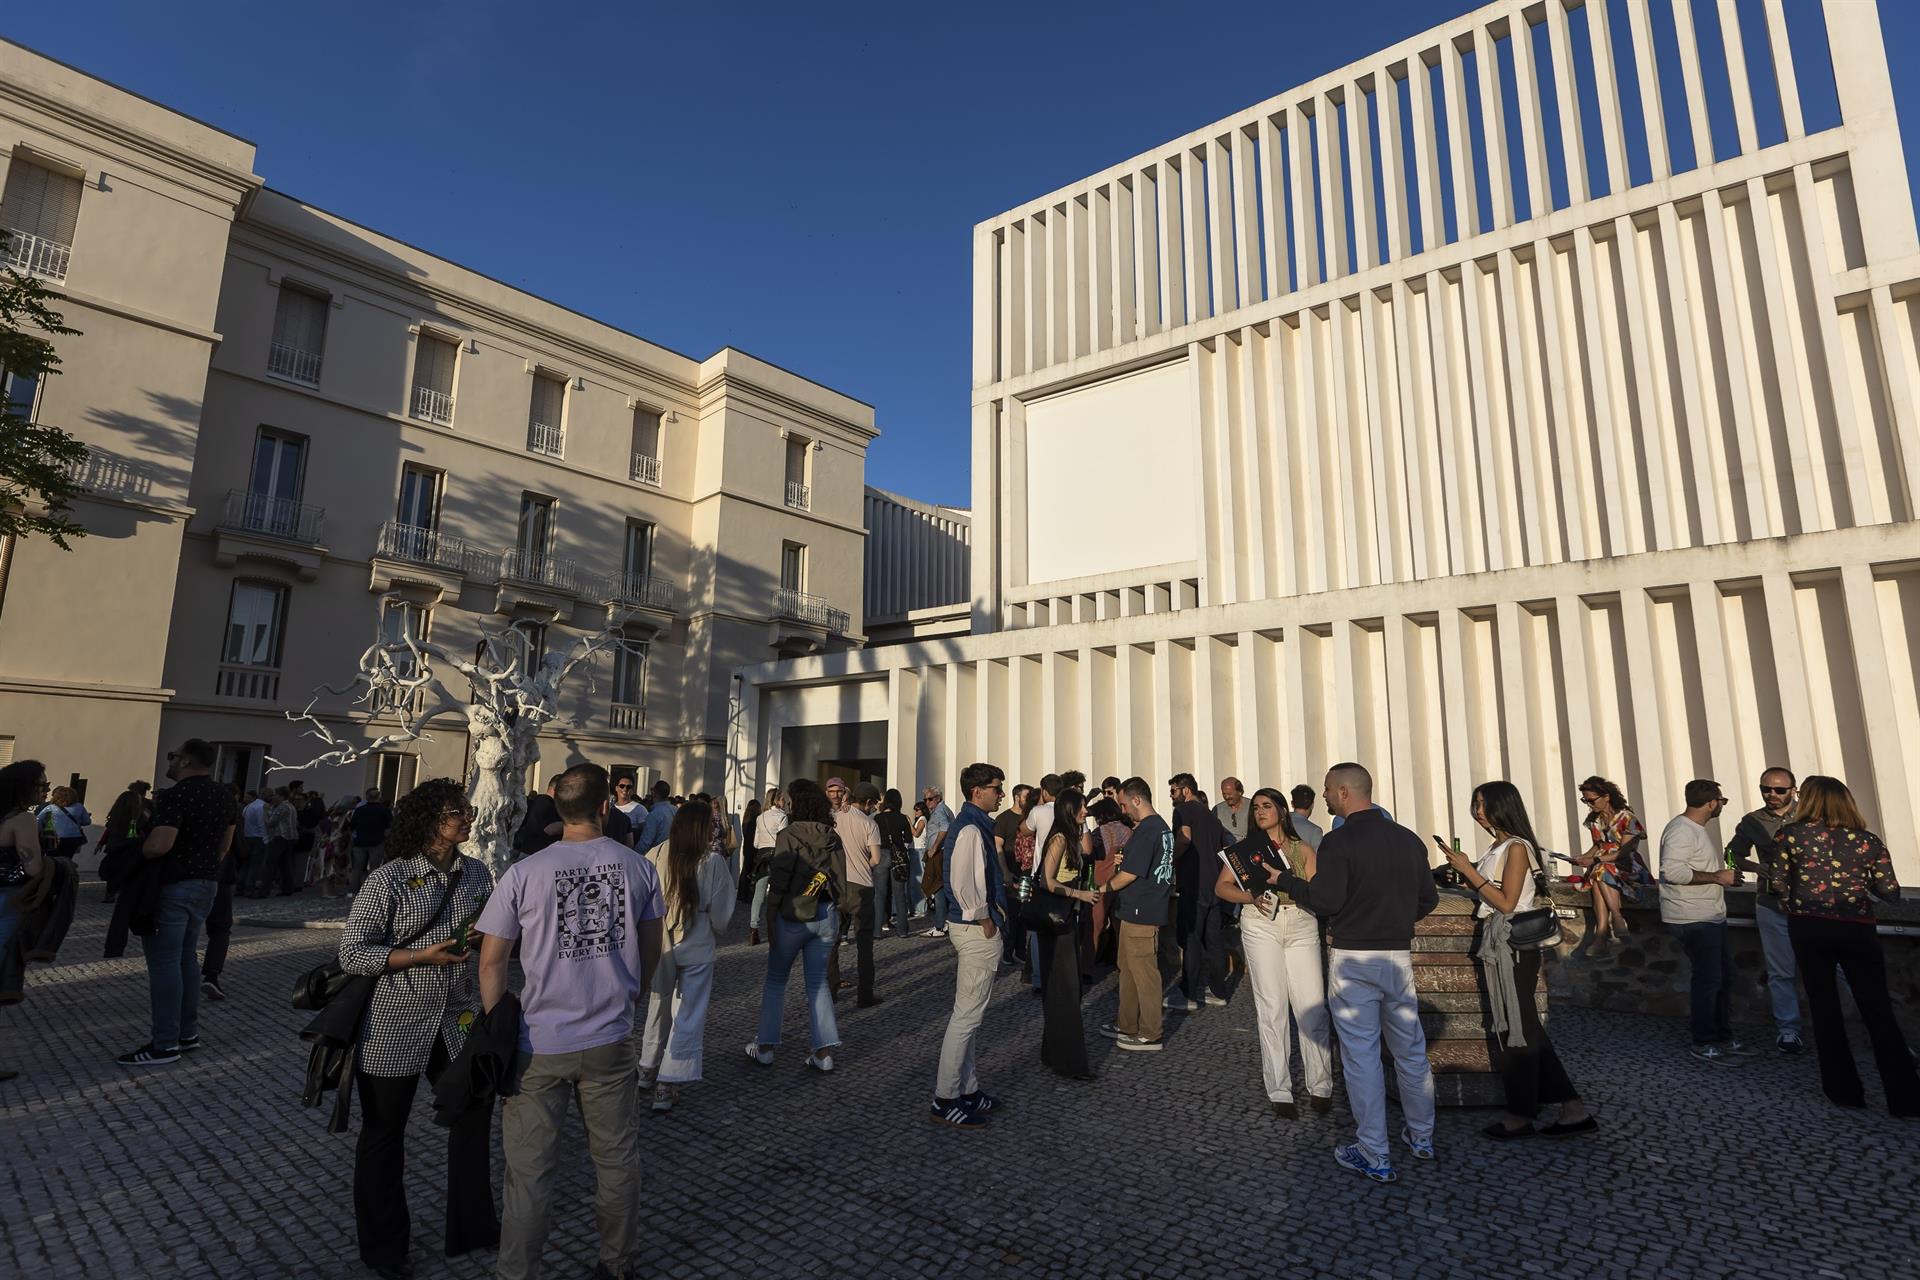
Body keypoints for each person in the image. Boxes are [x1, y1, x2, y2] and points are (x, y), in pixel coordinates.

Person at [477, 764, 662, 1280]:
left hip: (539, 1039)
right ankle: (616, 1263)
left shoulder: (524, 873)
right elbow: (652, 947)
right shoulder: (638, 868)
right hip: (610, 1036)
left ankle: (517, 1272)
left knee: (530, 1173)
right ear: (607, 806)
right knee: (617, 1160)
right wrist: (635, 991)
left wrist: (497, 1022)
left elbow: (492, 961)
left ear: (557, 808)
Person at [339, 778, 496, 1280]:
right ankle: (385, 1248)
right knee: (385, 1133)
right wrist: (415, 956)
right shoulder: (389, 878)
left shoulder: (478, 875)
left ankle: (472, 1226)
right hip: (396, 1021)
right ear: (431, 818)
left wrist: (481, 935)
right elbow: (352, 952)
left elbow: (490, 934)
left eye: (469, 810)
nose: (468, 818)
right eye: (458, 811)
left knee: (472, 1121)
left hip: (459, 1018)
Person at [1271, 763, 1437, 1185]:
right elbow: (1428, 899)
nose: (1323, 797)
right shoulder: (1409, 840)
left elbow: (1325, 900)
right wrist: (1397, 919)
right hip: (1397, 955)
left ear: (1345, 792)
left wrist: (1287, 881)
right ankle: (1422, 1137)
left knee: (1361, 1056)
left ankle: (1374, 1152)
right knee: (1411, 1050)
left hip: (1353, 957)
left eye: (1328, 790)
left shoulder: (1339, 842)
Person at [1441, 782, 1595, 1139]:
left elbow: (1507, 902)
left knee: (1518, 1030)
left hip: (1512, 943)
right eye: (1475, 804)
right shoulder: (1500, 846)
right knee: (1522, 1028)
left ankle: (1522, 1114)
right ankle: (1571, 1108)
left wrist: (1469, 870)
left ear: (1503, 806)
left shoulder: (1516, 848)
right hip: (1502, 942)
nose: (1478, 812)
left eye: (1484, 805)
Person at [1767, 776, 1919, 1116]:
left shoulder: (1790, 836)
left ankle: (1844, 1090)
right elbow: (1890, 892)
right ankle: (1905, 1096)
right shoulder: (1868, 842)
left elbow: (1776, 883)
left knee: (1825, 1010)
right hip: (1856, 927)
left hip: (1809, 927)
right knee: (1878, 1011)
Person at [115, 739, 238, 1067]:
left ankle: (165, 1043)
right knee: (186, 958)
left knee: (165, 963)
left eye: (172, 756)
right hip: (207, 883)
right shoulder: (225, 796)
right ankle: (187, 1033)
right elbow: (225, 846)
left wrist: (131, 855)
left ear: (185, 761)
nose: (169, 762)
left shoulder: (176, 796)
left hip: (173, 885)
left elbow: (160, 845)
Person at [1214, 787, 1332, 1119]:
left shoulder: (1303, 848)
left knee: (1312, 1005)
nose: (1260, 811)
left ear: (1281, 810)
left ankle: (1320, 1084)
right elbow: (1221, 887)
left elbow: (1316, 890)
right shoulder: (1244, 850)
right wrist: (1249, 898)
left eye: (1267, 806)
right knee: (1272, 1006)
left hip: (1300, 922)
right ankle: (1279, 1088)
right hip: (1260, 921)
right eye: (1257, 808)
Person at [639, 803, 735, 1113]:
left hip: (660, 943)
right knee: (688, 1013)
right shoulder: (712, 863)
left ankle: (647, 1067)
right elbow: (721, 915)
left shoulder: (655, 855)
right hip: (697, 943)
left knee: (658, 1003)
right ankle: (668, 1080)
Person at [929, 762, 1008, 1127]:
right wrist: (985, 919)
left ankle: (968, 1088)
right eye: (996, 788)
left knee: (970, 1018)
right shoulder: (971, 829)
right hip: (975, 929)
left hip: (976, 927)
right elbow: (963, 883)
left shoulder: (973, 825)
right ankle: (945, 1097)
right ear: (978, 792)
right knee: (966, 1017)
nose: (1001, 794)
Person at [746, 778, 844, 1071]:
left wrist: (769, 918)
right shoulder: (832, 836)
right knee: (817, 984)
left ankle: (764, 1046)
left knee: (776, 981)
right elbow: (842, 879)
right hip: (824, 912)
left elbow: (779, 881)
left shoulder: (788, 835)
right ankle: (824, 1052)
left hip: (791, 914)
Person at [1659, 779, 1745, 1064]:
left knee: (1723, 977)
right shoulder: (1681, 831)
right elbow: (1672, 871)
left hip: (1708, 915)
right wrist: (1717, 877)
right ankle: (1704, 1040)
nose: (1721, 805)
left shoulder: (1692, 829)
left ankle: (1721, 1035)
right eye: (1722, 801)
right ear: (1712, 803)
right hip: (1692, 917)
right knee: (1709, 980)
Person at [1724, 768, 1806, 1053]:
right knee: (1780, 971)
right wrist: (1755, 867)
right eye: (1766, 789)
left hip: (1811, 903)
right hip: (1772, 903)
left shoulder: (1810, 815)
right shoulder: (1753, 820)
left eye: (1779, 790)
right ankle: (1788, 1030)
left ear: (1793, 790)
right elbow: (1732, 853)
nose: (1772, 795)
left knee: (1836, 968)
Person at [1101, 777, 1175, 1053]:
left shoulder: (1148, 830)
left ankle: (1150, 1033)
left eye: (1123, 804)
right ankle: (1127, 1023)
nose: (1123, 810)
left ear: (1136, 799)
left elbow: (1130, 875)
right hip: (1136, 909)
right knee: (1128, 968)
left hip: (1142, 910)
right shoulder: (1159, 828)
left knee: (1144, 974)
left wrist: (1101, 889)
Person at [1035, 789, 1099, 1081]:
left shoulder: (1071, 835)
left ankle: (1054, 1052)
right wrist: (1079, 893)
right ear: (1070, 809)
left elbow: (1087, 851)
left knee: (1064, 989)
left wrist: (1082, 825)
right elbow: (1046, 881)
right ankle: (1068, 1061)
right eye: (1082, 807)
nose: (1086, 810)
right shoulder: (1059, 838)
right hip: (1057, 918)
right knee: (1065, 990)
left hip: (1067, 917)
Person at [0, 761, 50, 1083]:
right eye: (41, 784)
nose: (46, 789)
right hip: (6, 901)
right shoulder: (23, 819)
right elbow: (33, 869)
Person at [1167, 772, 1230, 1012]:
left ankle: (1188, 993)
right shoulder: (1212, 817)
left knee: (1191, 937)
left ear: (1185, 790)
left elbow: (1184, 839)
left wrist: (1171, 861)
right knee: (1214, 940)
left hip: (1194, 882)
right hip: (1214, 884)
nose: (1171, 796)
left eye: (1173, 791)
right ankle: (1218, 990)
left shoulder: (1184, 810)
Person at [826, 777, 882, 1006]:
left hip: (837, 885)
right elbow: (876, 859)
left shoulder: (835, 818)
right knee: (864, 944)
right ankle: (865, 994)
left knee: (832, 941)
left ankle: (831, 990)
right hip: (862, 887)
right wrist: (864, 864)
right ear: (867, 802)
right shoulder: (869, 823)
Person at [1574, 775, 1645, 952]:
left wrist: (1596, 859)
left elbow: (1624, 851)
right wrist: (1581, 858)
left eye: (1591, 800)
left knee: (1599, 870)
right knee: (1599, 874)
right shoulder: (1594, 820)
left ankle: (1607, 927)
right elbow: (1597, 846)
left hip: (1626, 865)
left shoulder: (1627, 818)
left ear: (1606, 796)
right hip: (1603, 865)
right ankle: (1609, 925)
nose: (1589, 805)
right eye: (1585, 801)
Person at [993, 783, 1032, 969]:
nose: (1029, 800)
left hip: (1026, 874)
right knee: (1011, 915)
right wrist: (1005, 872)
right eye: (1026, 797)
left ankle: (1020, 951)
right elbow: (997, 845)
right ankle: (1008, 952)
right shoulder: (1004, 819)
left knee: (1024, 913)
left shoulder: (1030, 818)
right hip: (1010, 873)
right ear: (1017, 797)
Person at [874, 788, 917, 939]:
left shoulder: (878, 818)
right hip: (898, 857)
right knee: (900, 895)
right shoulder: (903, 818)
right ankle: (903, 930)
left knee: (879, 894)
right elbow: (909, 840)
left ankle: (877, 931)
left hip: (882, 854)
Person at [747, 787, 788, 946]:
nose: (784, 802)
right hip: (777, 856)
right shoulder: (782, 816)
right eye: (783, 799)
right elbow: (783, 839)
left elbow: (756, 843)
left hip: (762, 857)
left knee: (758, 896)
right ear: (776, 800)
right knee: (778, 894)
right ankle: (775, 929)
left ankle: (753, 929)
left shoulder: (760, 817)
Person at [920, 786, 956, 936]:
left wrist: (934, 847)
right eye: (925, 799)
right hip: (941, 852)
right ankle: (944, 922)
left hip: (938, 853)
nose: (928, 802)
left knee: (937, 887)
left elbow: (945, 827)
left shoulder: (940, 810)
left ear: (938, 798)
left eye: (930, 799)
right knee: (939, 886)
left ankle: (940, 925)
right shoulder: (943, 809)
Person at [349, 787, 392, 890]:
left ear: (367, 797)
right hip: (377, 842)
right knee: (374, 868)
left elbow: (352, 826)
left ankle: (353, 891)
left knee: (357, 868)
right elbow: (389, 827)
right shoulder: (385, 810)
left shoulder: (359, 810)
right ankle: (370, 890)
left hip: (360, 842)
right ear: (379, 797)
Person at [36, 786, 90, 861]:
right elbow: (87, 821)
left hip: (53, 837)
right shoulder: (79, 806)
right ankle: (66, 870)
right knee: (67, 859)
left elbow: (38, 821)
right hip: (73, 838)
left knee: (53, 859)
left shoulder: (51, 807)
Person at [266, 787, 301, 895]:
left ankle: (264, 891)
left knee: (270, 864)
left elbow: (270, 822)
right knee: (286, 865)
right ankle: (287, 889)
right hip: (291, 838)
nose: (273, 797)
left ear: (281, 796)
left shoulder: (282, 807)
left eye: (276, 795)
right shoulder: (291, 807)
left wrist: (265, 811)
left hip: (281, 837)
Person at [633, 779, 676, 853]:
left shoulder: (654, 815)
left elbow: (645, 843)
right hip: (674, 854)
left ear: (654, 793)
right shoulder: (676, 810)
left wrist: (632, 856)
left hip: (658, 856)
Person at [239, 788, 268, 896]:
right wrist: (265, 838)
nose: (245, 799)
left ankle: (242, 886)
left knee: (247, 863)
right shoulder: (258, 806)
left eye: (247, 797)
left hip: (250, 837)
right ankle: (248, 887)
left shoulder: (249, 807)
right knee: (253, 864)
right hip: (256, 837)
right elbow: (261, 823)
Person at [1288, 785, 1325, 852]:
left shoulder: (1279, 821)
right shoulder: (1314, 831)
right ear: (1312, 805)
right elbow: (1320, 858)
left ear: (1292, 804)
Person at [1214, 777, 1250, 844]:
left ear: (1239, 792)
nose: (1227, 797)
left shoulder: (1252, 806)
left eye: (1230, 794)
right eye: (1224, 794)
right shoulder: (1217, 809)